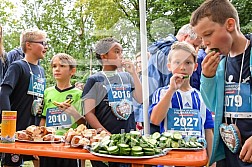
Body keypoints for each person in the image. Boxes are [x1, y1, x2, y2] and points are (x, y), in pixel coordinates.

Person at [190, 0, 252, 166]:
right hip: (229, 155)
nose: (205, 43)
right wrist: (208, 78)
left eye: (208, 34)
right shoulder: (221, 64)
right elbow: (212, 105)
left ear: (230, 24)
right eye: (202, 38)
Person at [148, 41, 214, 165]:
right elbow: (155, 120)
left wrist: (211, 161)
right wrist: (171, 90)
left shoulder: (201, 96)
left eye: (188, 62)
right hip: (169, 161)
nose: (182, 67)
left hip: (196, 160)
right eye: (177, 62)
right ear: (169, 66)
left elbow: (208, 130)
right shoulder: (162, 93)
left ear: (195, 67)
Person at [82, 37, 143, 167]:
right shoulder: (95, 79)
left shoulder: (126, 77)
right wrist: (104, 134)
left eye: (121, 52)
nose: (121, 55)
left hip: (127, 137)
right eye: (116, 52)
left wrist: (134, 74)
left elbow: (140, 98)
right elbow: (88, 113)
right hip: (104, 140)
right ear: (104, 56)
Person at [0, 28, 48, 167]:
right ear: (29, 45)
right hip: (16, 129)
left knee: (39, 160)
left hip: (34, 130)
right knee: (12, 163)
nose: (46, 47)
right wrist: (8, 124)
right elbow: (4, 93)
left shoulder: (41, 70)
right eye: (42, 43)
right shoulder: (18, 66)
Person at [148, 24, 203, 133]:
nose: (197, 50)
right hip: (164, 111)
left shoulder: (159, 50)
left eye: (188, 62)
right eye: (195, 45)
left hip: (152, 106)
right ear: (186, 37)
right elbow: (177, 83)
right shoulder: (173, 52)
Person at [39, 53, 85, 167]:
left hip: (69, 145)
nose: (57, 69)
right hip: (48, 144)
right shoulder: (47, 92)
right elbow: (43, 119)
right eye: (54, 66)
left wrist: (74, 113)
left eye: (62, 66)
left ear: (72, 71)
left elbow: (84, 124)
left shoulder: (79, 94)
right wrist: (39, 141)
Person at [133, 51, 150, 132]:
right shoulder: (137, 77)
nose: (139, 64)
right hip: (137, 115)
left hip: (146, 114)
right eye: (137, 62)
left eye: (141, 62)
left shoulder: (149, 78)